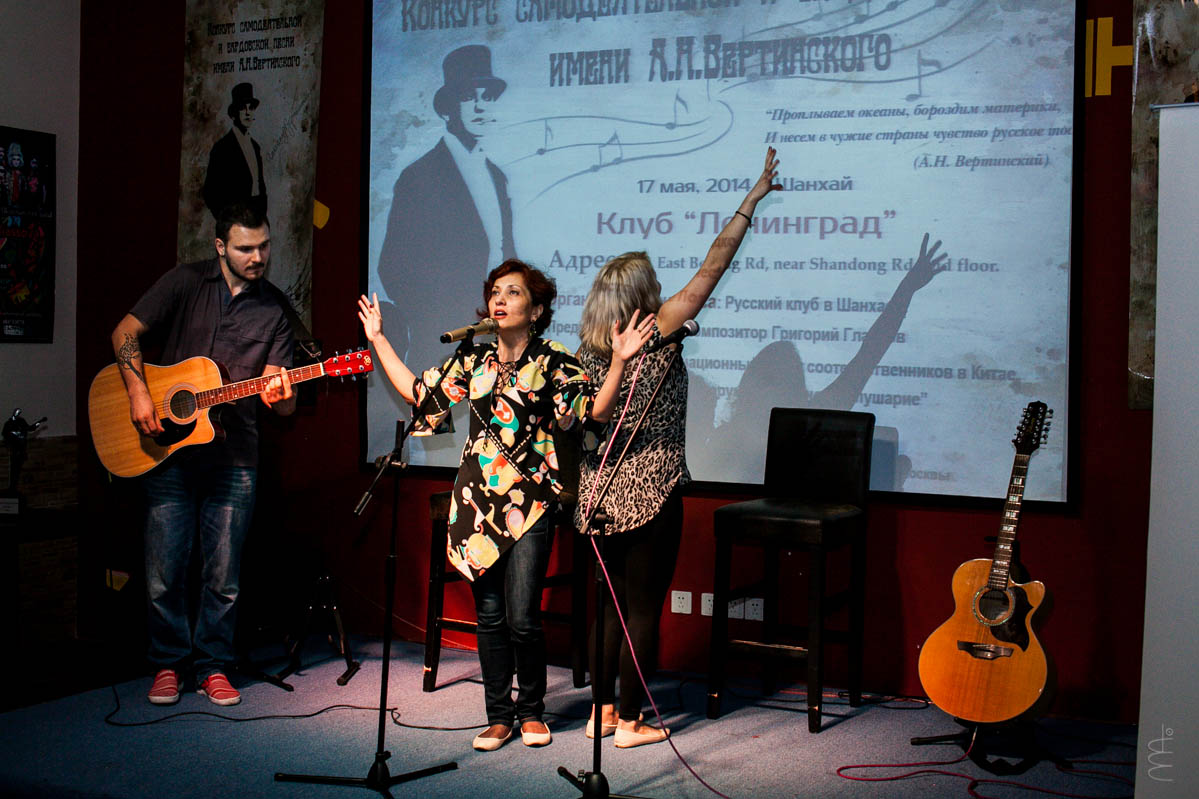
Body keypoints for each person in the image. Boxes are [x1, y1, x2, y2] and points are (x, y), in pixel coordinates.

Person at [358, 260, 653, 751]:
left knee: (522, 616)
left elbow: (593, 412)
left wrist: (620, 362)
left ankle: (531, 712)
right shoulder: (473, 359)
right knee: (490, 616)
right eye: (495, 292)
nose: (500, 300)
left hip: (531, 504)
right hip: (475, 502)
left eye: (513, 293)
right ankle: (498, 716)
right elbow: (420, 395)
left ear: (535, 310)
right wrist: (378, 340)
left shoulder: (554, 359)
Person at [573, 148, 782, 748]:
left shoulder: (586, 352)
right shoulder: (660, 330)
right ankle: (631, 722)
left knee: (609, 609)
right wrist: (749, 203)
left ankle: (601, 713)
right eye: (656, 284)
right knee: (642, 608)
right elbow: (714, 266)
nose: (666, 289)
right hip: (652, 488)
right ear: (643, 294)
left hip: (598, 491)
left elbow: (590, 418)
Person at [110, 201, 295, 706]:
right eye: (246, 248)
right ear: (220, 246)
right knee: (163, 571)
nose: (258, 257)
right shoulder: (184, 282)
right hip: (168, 454)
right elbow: (124, 333)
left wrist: (282, 395)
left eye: (265, 246)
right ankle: (168, 664)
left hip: (236, 459)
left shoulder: (275, 310)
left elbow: (282, 403)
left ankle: (213, 665)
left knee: (224, 575)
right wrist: (138, 392)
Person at [375, 44, 515, 385]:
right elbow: (392, 267)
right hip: (441, 346)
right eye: (469, 97)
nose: (481, 106)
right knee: (438, 419)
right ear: (449, 108)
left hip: (496, 345)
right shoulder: (419, 176)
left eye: (488, 97)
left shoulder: (496, 176)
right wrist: (433, 320)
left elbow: (505, 255)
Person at [203, 82, 268, 219]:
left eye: (251, 108)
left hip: (257, 220)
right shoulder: (222, 148)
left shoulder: (255, 147)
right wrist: (228, 222)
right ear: (233, 114)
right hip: (235, 222)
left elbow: (260, 186)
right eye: (243, 108)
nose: (248, 112)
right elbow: (210, 193)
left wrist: (262, 216)